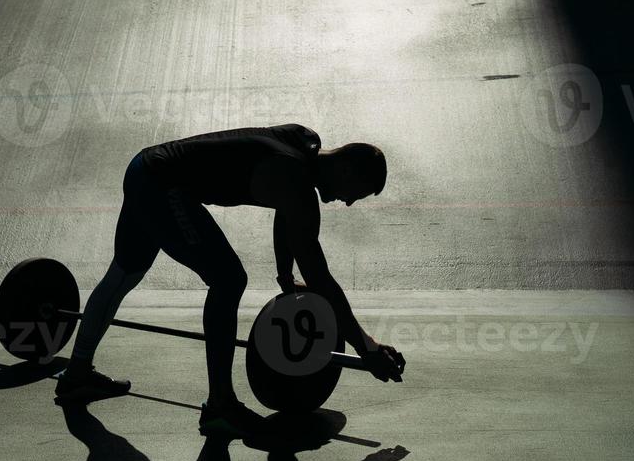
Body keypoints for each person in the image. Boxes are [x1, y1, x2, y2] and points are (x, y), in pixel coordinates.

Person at [55, 124, 406, 437]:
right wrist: (367, 347)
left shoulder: (303, 141)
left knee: (126, 272)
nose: (347, 203)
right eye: (355, 192)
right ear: (345, 167)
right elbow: (321, 280)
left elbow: (287, 212)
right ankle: (220, 405)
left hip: (145, 167)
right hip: (163, 185)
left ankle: (77, 374)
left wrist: (285, 275)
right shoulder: (296, 183)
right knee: (228, 279)